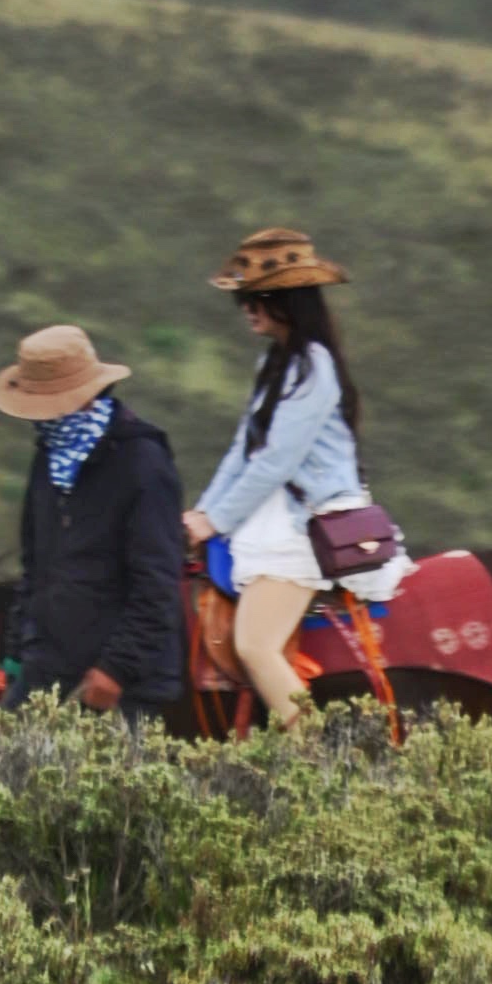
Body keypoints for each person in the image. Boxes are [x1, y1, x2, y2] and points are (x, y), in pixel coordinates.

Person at [188, 224, 399, 732]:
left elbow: (276, 461)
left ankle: (313, 758)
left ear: (290, 302)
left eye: (258, 299)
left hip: (308, 521)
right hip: (272, 515)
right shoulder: (276, 362)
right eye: (246, 300)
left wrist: (217, 518)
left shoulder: (314, 367)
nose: (248, 310)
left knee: (255, 644)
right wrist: (202, 513)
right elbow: (242, 450)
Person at [0, 321, 187, 724]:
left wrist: (116, 669)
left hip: (124, 687)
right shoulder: (48, 459)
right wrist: (16, 656)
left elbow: (157, 582)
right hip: (48, 669)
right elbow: (35, 567)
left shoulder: (143, 465)